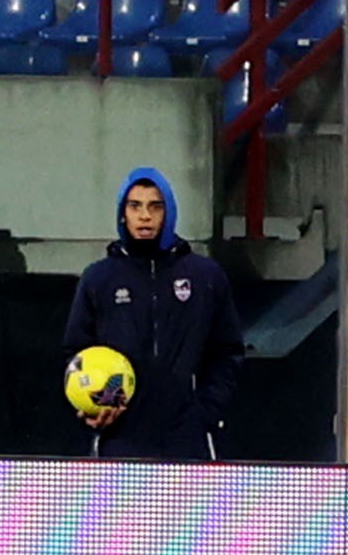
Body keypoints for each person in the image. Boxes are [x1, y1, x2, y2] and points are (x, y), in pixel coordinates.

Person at [60, 167, 243, 461]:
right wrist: (93, 406)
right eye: (135, 206)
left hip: (188, 439)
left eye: (155, 206)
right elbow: (77, 354)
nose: (145, 216)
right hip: (119, 438)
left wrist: (206, 410)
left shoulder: (205, 275)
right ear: (123, 214)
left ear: (168, 212)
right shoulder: (98, 278)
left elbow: (227, 351)